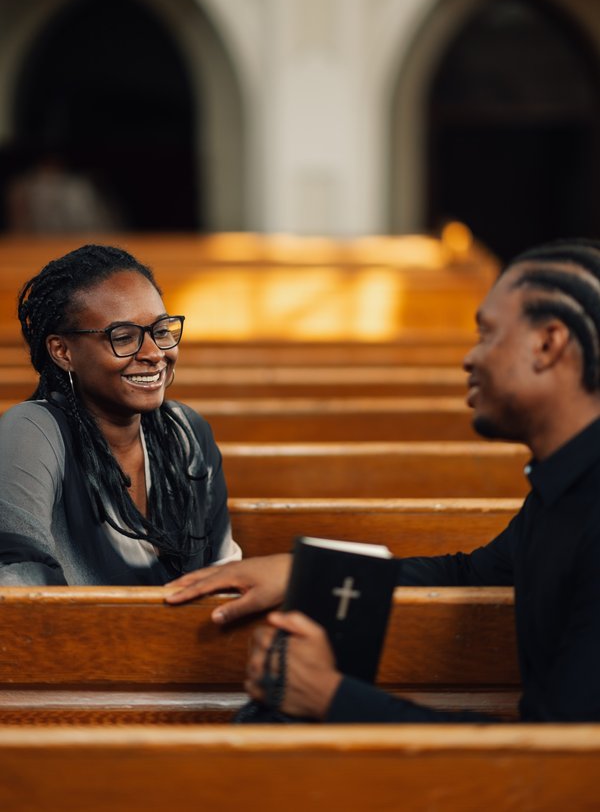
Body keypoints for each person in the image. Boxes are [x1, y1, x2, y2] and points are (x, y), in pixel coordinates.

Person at [166, 238, 600, 723]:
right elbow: (471, 575)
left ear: (548, 344)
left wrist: (331, 697)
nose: (470, 359)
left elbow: (572, 759)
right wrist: (307, 573)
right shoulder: (562, 485)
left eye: (487, 335)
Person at [0, 244, 240, 585]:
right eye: (124, 337)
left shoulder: (186, 432)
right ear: (62, 351)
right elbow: (20, 593)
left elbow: (221, 574)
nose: (155, 353)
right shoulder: (31, 432)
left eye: (161, 331)